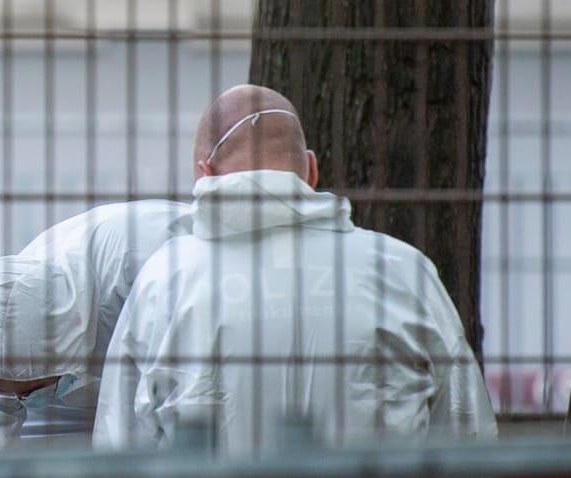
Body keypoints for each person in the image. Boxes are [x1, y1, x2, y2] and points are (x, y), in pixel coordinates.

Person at [94, 84, 496, 454]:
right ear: (310, 169)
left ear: (206, 173)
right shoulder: (403, 271)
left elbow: (120, 447)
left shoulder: (165, 278)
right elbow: (466, 431)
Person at [0, 200, 195, 455]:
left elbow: (148, 417)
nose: (19, 399)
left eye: (30, 390)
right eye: (2, 390)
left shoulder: (142, 276)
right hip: (75, 390)